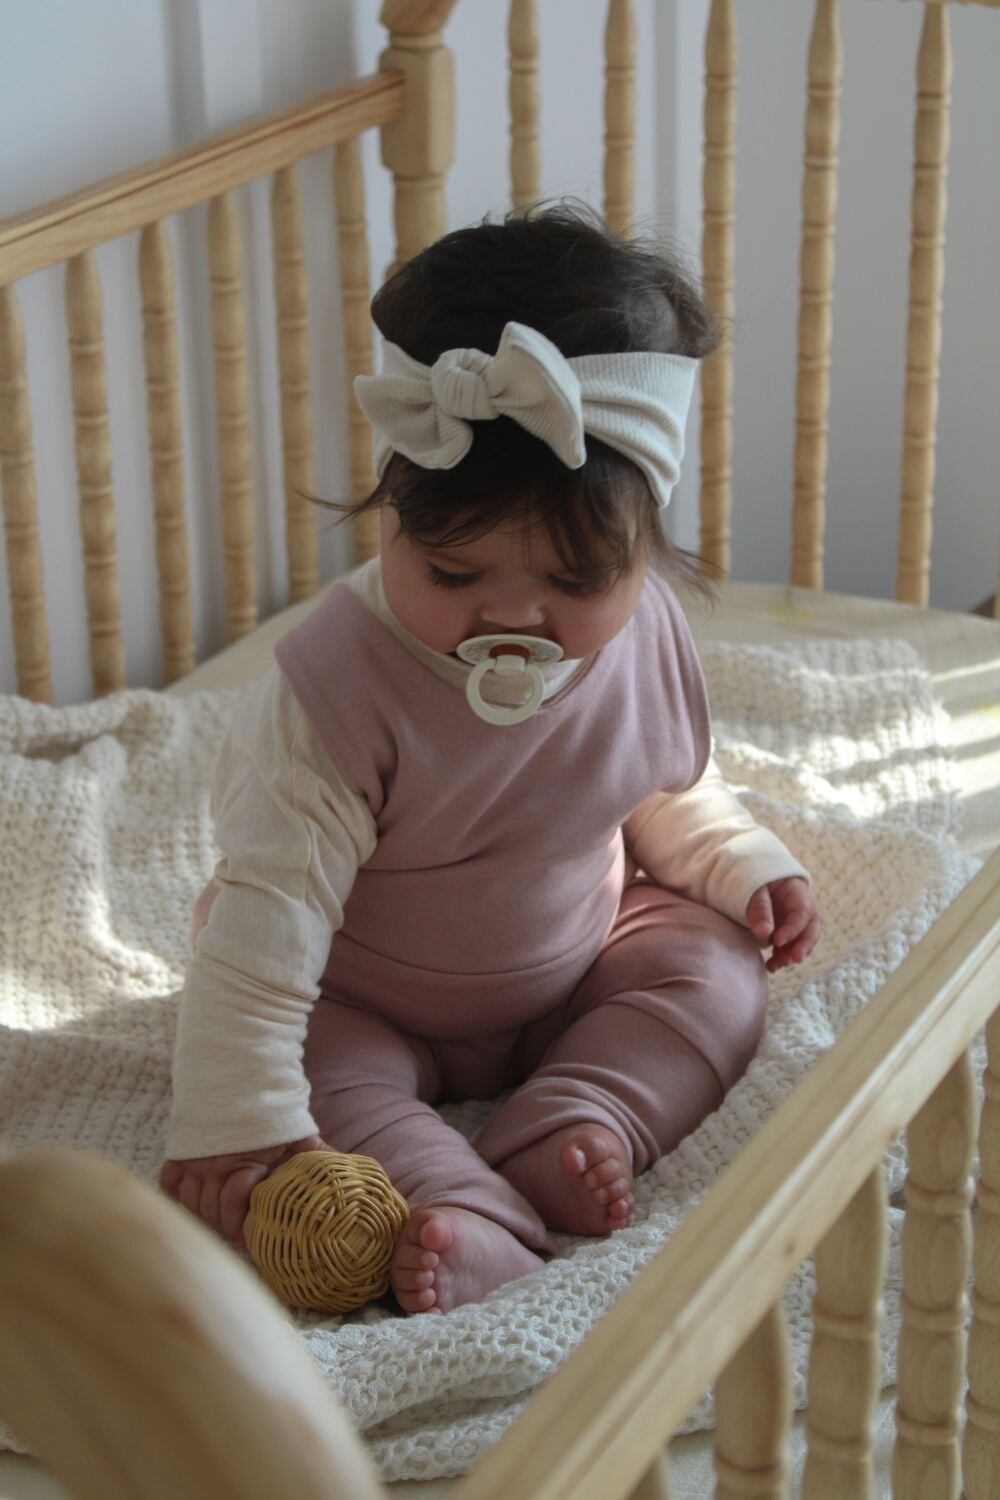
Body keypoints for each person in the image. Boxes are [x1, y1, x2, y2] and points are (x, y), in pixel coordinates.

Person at [159, 202, 822, 1315]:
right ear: (390, 518)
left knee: (714, 970)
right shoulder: (334, 692)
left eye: (573, 582)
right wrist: (236, 1116)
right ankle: (459, 1206)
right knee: (297, 1069)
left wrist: (741, 867)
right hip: (362, 994)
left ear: (647, 551)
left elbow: (659, 787)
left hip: (576, 962)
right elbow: (268, 920)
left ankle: (579, 1117)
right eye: (455, 575)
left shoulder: (642, 635)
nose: (512, 616)